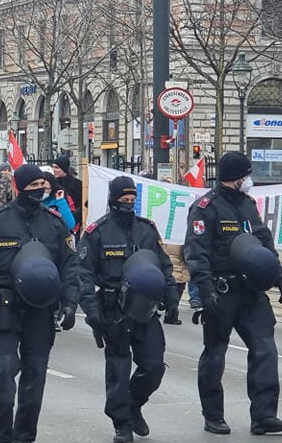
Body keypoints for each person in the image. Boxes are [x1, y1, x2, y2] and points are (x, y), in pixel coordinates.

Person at [0, 163, 81, 443]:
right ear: (19, 188)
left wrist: (70, 303)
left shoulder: (54, 223)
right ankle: (4, 435)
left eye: (42, 186)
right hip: (5, 306)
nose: (38, 191)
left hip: (41, 310)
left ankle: (25, 436)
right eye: (32, 187)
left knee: (35, 374)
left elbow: (70, 267)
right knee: (4, 372)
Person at [183, 152, 282, 435]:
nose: (250, 179)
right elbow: (196, 253)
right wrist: (205, 292)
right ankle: (213, 415)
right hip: (222, 291)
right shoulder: (205, 208)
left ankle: (264, 416)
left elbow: (264, 243)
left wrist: (278, 277)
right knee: (216, 353)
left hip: (251, 291)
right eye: (247, 174)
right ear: (238, 177)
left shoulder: (248, 206)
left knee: (265, 349)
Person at [78, 176, 181, 443]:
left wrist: (172, 300)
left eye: (132, 199)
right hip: (113, 309)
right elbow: (83, 275)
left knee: (154, 366)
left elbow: (164, 266)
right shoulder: (97, 233)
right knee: (118, 371)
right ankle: (122, 423)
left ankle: (134, 404)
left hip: (146, 308)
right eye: (124, 200)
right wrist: (92, 312)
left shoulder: (146, 230)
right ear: (113, 199)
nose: (128, 204)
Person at [52, 155, 82, 233]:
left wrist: (74, 218)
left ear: (64, 169)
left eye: (57, 167)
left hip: (73, 224)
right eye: (53, 167)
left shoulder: (77, 185)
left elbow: (82, 205)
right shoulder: (51, 184)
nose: (53, 170)